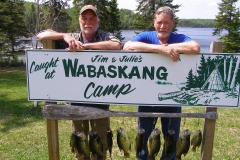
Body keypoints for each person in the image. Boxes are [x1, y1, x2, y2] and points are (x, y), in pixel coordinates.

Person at [37, 5, 121, 160]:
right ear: (79, 20)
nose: (87, 22)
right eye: (84, 18)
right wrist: (64, 36)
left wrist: (85, 47)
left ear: (98, 21)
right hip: (75, 103)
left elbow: (116, 45)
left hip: (100, 103)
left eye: (92, 18)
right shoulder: (71, 37)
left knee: (100, 147)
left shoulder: (104, 36)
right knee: (80, 149)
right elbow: (41, 35)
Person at [123, 6, 200, 160]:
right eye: (159, 22)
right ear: (154, 22)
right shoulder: (146, 36)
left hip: (172, 99)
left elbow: (195, 47)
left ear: (173, 23)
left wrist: (168, 47)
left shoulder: (179, 38)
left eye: (166, 22)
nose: (162, 26)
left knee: (171, 139)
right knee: (144, 140)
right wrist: (159, 49)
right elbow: (127, 46)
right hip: (146, 98)